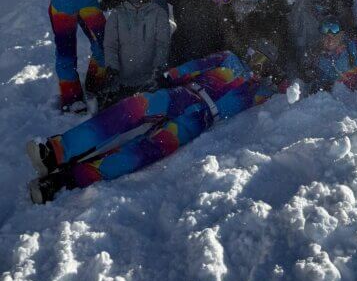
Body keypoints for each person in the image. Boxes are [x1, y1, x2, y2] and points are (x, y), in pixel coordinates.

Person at [26, 48, 289, 204]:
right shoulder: (229, 59)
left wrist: (281, 80)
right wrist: (168, 77)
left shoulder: (258, 92)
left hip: (198, 120)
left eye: (265, 62)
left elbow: (290, 92)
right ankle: (55, 151)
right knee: (130, 109)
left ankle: (62, 182)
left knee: (141, 153)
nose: (258, 63)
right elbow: (195, 66)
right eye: (257, 54)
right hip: (182, 95)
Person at [103, 0, 171, 102]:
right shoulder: (117, 15)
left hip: (150, 81)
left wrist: (158, 68)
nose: (138, 3)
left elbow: (162, 44)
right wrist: (112, 70)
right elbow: (110, 45)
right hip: (123, 81)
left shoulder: (158, 14)